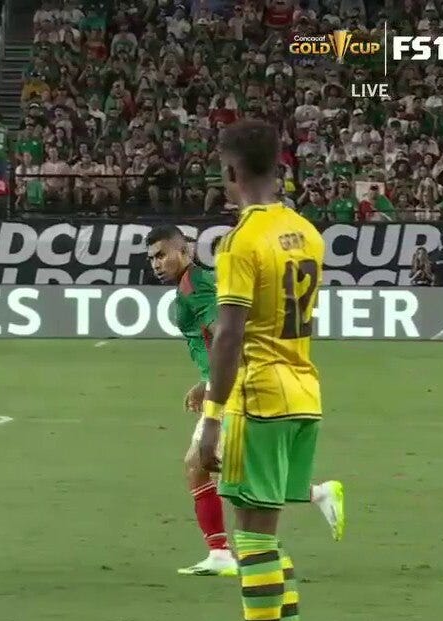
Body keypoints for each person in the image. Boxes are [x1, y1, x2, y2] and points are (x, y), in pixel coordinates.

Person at [195, 119, 325, 621]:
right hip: (304, 392)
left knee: (250, 542)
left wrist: (212, 416)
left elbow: (230, 334)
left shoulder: (240, 241)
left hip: (260, 398)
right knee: (266, 540)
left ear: (230, 171)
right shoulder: (305, 231)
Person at [147, 226, 344, 579]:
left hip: (237, 390)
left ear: (186, 251)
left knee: (216, 469)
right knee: (217, 468)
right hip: (229, 384)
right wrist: (205, 380)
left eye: (163, 254)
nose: (157, 263)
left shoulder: (197, 288)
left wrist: (214, 389)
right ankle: (310, 499)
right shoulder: (192, 287)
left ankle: (240, 552)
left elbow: (227, 338)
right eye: (152, 258)